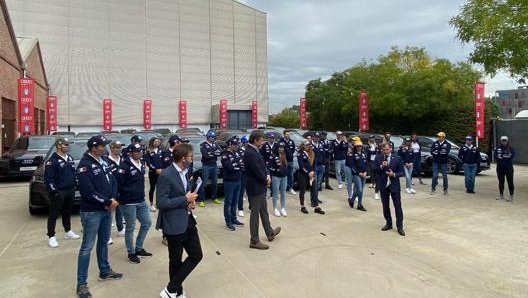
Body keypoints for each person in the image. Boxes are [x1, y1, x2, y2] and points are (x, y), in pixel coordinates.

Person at [76, 135, 122, 298]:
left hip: (107, 209)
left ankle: (105, 271)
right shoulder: (84, 166)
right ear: (94, 148)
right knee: (87, 247)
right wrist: (106, 201)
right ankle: (81, 284)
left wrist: (113, 199)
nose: (106, 148)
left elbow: (113, 182)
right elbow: (87, 191)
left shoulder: (103, 161)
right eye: (103, 146)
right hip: (92, 212)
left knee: (103, 242)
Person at [156, 144, 202, 298]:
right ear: (183, 158)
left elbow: (184, 193)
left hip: (187, 219)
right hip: (173, 224)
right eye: (190, 156)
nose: (192, 158)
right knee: (175, 260)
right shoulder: (166, 175)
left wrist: (189, 201)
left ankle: (171, 288)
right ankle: (176, 292)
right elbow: (161, 203)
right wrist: (184, 199)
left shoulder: (186, 171)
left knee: (196, 255)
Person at [115, 143, 153, 264]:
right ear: (130, 153)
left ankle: (139, 248)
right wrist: (121, 198)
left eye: (141, 151)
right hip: (128, 202)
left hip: (140, 200)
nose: (139, 153)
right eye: (137, 151)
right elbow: (117, 184)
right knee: (130, 227)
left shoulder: (141, 163)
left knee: (147, 223)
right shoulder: (124, 166)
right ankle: (131, 252)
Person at [243, 129, 281, 250]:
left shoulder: (255, 150)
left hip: (260, 186)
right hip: (255, 187)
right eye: (261, 140)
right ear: (255, 140)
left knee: (264, 210)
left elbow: (262, 166)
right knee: (255, 214)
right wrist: (266, 180)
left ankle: (269, 232)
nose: (263, 142)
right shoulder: (250, 153)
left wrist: (267, 175)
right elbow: (256, 170)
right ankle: (254, 240)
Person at [44, 137, 80, 248]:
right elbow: (49, 179)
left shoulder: (69, 158)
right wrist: (55, 191)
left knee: (67, 212)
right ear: (59, 146)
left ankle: (67, 231)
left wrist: (75, 185)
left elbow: (73, 173)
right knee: (54, 214)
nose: (68, 146)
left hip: (70, 190)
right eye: (65, 145)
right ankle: (51, 236)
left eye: (68, 144)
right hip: (59, 191)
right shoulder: (52, 161)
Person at [375, 143, 405, 236]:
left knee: (398, 206)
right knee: (385, 205)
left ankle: (400, 226)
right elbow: (374, 170)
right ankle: (388, 223)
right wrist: (381, 166)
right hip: (383, 185)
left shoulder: (397, 158)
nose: (385, 151)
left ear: (390, 149)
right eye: (383, 150)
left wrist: (394, 175)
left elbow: (402, 172)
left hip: (394, 185)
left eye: (387, 149)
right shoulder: (378, 158)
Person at [103, 140, 126, 245]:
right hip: (110, 189)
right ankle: (107, 236)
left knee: (119, 211)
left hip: (121, 189)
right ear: (112, 149)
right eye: (117, 147)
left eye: (120, 147)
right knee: (108, 213)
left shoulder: (123, 160)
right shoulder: (106, 161)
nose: (119, 149)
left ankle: (120, 228)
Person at [220, 137, 244, 231]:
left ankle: (234, 219)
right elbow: (229, 167)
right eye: (235, 145)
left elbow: (241, 164)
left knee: (235, 201)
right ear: (230, 145)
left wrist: (236, 164)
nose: (237, 146)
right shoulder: (225, 154)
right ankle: (228, 221)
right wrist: (237, 164)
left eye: (237, 144)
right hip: (229, 181)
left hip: (238, 179)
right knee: (228, 202)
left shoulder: (237, 153)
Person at [297, 139, 325, 215]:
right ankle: (302, 206)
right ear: (302, 145)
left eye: (308, 145)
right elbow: (301, 166)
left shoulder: (312, 152)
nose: (307, 146)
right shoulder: (300, 153)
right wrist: (308, 172)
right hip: (303, 174)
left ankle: (316, 207)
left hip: (312, 174)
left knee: (314, 190)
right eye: (306, 145)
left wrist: (313, 171)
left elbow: (315, 163)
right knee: (303, 190)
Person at [198, 130, 222, 207]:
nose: (214, 138)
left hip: (214, 165)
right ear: (208, 137)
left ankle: (214, 197)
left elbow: (220, 152)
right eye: (212, 137)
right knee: (204, 184)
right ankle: (202, 200)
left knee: (215, 183)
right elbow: (206, 156)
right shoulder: (203, 145)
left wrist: (212, 153)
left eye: (214, 137)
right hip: (206, 166)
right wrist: (214, 153)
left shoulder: (215, 144)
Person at [268, 141, 288, 217]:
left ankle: (283, 208)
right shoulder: (273, 156)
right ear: (277, 147)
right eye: (280, 147)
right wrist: (276, 170)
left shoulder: (285, 155)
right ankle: (275, 208)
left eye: (282, 147)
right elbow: (269, 167)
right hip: (276, 177)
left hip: (284, 177)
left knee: (283, 193)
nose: (281, 149)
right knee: (275, 193)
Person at [494, 136, 515, 201]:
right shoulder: (497, 149)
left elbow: (512, 156)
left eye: (505, 140)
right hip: (500, 167)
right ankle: (501, 195)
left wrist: (502, 156)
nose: (504, 142)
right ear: (500, 141)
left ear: (507, 141)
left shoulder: (511, 148)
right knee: (501, 181)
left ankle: (511, 195)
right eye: (502, 140)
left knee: (510, 181)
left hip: (508, 167)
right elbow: (495, 157)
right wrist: (505, 156)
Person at [145, 136, 164, 212]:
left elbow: (163, 161)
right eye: (156, 141)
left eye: (158, 141)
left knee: (160, 188)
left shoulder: (161, 150)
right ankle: (151, 204)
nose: (157, 143)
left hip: (161, 172)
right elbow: (148, 162)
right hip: (153, 173)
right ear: (152, 142)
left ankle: (158, 203)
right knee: (152, 188)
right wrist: (155, 169)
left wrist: (162, 169)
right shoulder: (148, 151)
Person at [430, 132, 451, 196]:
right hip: (435, 162)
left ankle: (445, 190)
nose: (438, 137)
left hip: (443, 163)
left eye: (440, 136)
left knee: (444, 177)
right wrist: (439, 151)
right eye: (438, 136)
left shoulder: (448, 144)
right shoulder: (435, 143)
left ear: (443, 137)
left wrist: (437, 151)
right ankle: (433, 189)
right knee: (434, 176)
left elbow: (446, 152)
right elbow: (431, 152)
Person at [350, 141, 368, 211]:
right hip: (356, 174)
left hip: (364, 174)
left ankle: (355, 202)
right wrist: (358, 173)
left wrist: (366, 172)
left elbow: (366, 164)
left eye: (360, 146)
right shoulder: (353, 154)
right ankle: (358, 203)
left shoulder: (364, 154)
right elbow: (352, 166)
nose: (359, 147)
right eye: (357, 146)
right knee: (359, 190)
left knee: (360, 190)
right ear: (355, 147)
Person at [280, 130, 296, 195]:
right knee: (283, 175)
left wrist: (291, 155)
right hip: (283, 161)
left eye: (288, 134)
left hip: (290, 161)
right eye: (286, 134)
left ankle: (291, 188)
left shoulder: (292, 141)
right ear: (284, 134)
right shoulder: (281, 141)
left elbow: (293, 150)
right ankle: (283, 189)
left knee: (290, 175)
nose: (288, 135)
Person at [237, 135, 249, 217]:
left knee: (250, 191)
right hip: (242, 173)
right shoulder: (239, 151)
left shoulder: (250, 150)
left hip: (250, 173)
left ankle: (252, 206)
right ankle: (240, 208)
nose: (247, 144)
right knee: (241, 192)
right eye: (246, 142)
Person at [366, 135, 380, 199]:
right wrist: (374, 151)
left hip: (375, 160)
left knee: (375, 172)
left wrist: (374, 151)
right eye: (371, 138)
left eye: (373, 138)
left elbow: (377, 152)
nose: (372, 139)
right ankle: (373, 183)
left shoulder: (376, 145)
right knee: (371, 172)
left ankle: (374, 183)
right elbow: (369, 152)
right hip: (370, 161)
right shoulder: (368, 145)